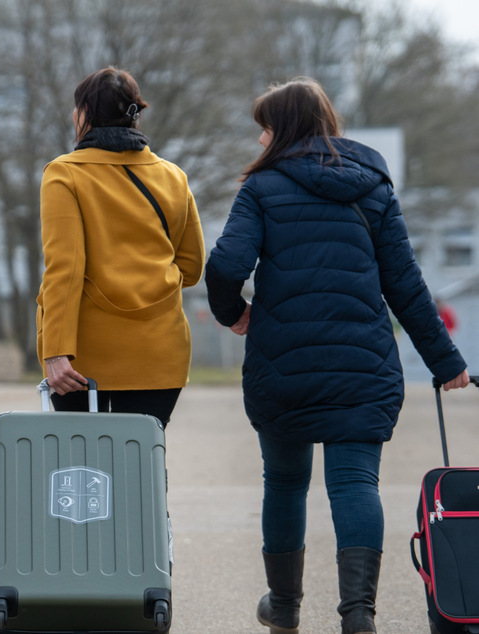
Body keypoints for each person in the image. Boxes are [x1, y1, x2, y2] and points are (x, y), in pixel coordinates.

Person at [204, 77, 469, 634]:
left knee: (284, 481)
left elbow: (227, 265)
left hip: (284, 364)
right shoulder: (373, 187)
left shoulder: (263, 188)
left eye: (265, 129)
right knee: (354, 485)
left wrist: (235, 314)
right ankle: (358, 617)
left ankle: (285, 608)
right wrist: (446, 361)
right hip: (361, 364)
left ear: (284, 130)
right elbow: (405, 284)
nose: (260, 142)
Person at [37, 66, 205, 426]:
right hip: (160, 351)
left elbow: (65, 269)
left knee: (84, 472)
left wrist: (55, 352)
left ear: (84, 115)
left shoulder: (64, 173)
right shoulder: (173, 176)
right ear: (134, 115)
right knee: (140, 467)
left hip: (83, 358)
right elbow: (191, 267)